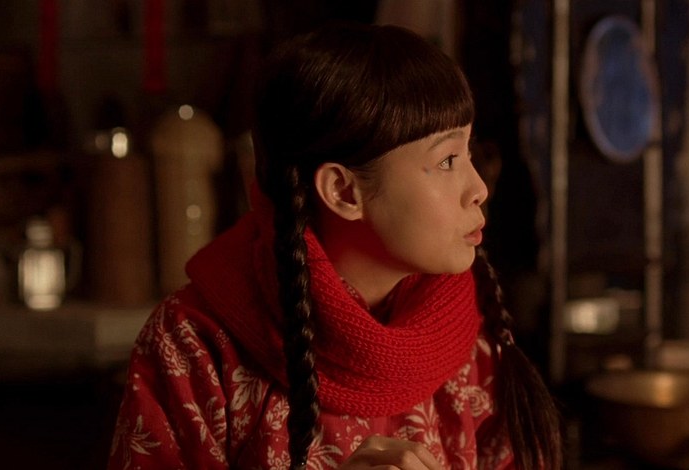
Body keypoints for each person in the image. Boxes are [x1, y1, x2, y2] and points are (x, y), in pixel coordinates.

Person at [108, 23, 562, 470]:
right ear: (344, 191)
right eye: (447, 161)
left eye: (470, 154)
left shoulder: (470, 339)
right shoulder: (194, 345)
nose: (479, 188)